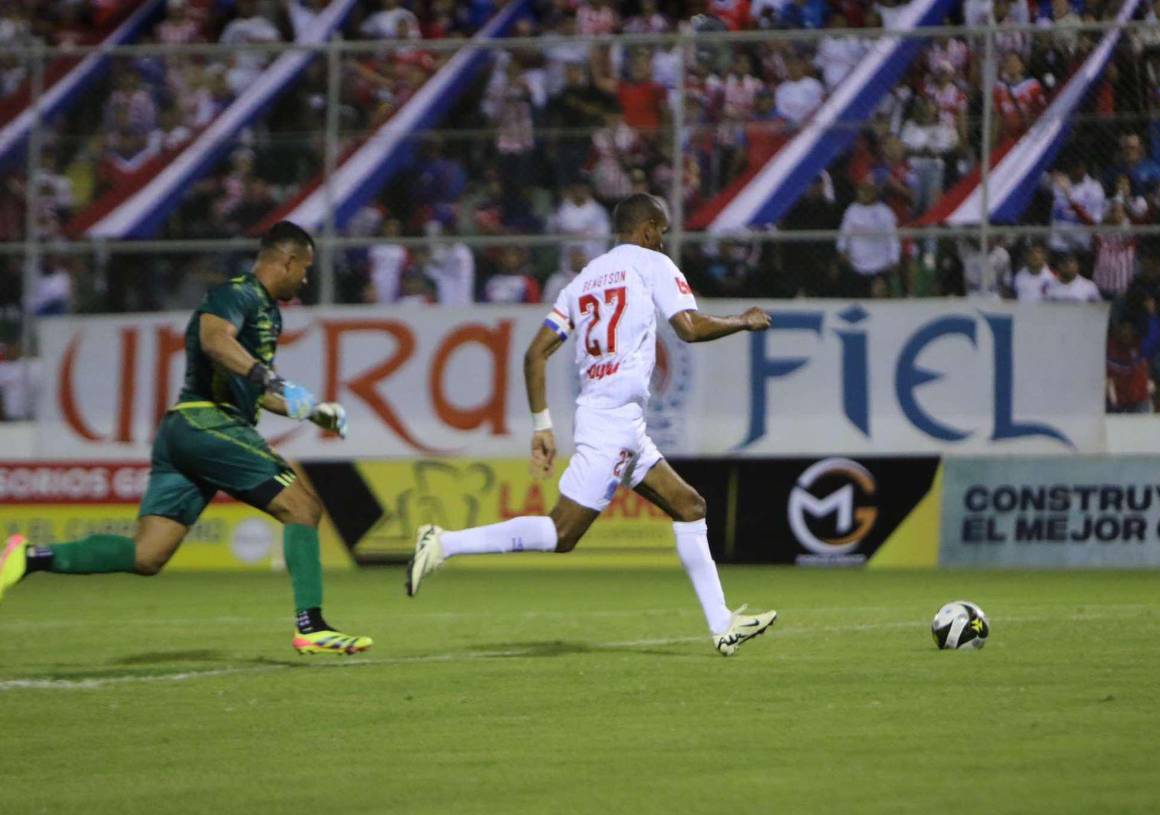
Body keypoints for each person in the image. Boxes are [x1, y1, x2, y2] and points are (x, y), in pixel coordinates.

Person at [405, 194, 777, 656]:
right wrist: (743, 320)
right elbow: (689, 327)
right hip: (613, 424)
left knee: (689, 505)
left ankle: (722, 623)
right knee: (561, 534)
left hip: (615, 418)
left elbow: (535, 353)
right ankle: (443, 544)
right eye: (660, 230)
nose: (663, 239)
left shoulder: (582, 281)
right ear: (646, 231)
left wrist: (542, 424)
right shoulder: (651, 263)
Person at [0, 223, 372, 656]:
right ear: (286, 261)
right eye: (305, 268)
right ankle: (312, 625)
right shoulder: (238, 293)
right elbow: (214, 340)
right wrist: (269, 376)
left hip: (184, 433)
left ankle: (30, 557)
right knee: (303, 507)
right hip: (209, 424)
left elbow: (256, 389)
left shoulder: (269, 312)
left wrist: (312, 410)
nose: (306, 279)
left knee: (147, 555)